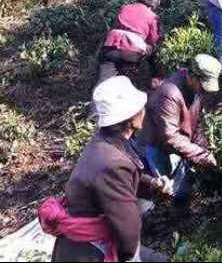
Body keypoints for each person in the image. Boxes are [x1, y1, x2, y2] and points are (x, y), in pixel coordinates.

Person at [39, 76, 173, 262]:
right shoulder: (113, 162)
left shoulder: (106, 141)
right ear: (130, 118)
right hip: (87, 250)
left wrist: (152, 183)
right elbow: (128, 232)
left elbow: (126, 175)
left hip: (79, 242)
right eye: (140, 107)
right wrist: (127, 256)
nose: (144, 110)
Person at [138, 54, 222, 203]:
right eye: (203, 84)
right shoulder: (169, 94)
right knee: (167, 187)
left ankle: (178, 201)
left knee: (180, 185)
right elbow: (170, 137)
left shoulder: (195, 90)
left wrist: (204, 147)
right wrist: (202, 156)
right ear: (193, 77)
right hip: (158, 146)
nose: (205, 90)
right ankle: (166, 209)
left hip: (175, 144)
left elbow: (196, 124)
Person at [97, 0, 163, 87]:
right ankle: (156, 79)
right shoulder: (152, 16)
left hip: (111, 46)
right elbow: (154, 40)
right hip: (132, 51)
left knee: (103, 83)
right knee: (153, 51)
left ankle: (96, 98)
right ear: (153, 6)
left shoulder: (125, 8)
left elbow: (115, 26)